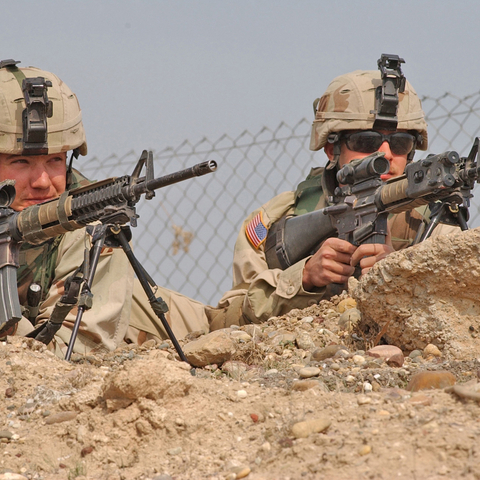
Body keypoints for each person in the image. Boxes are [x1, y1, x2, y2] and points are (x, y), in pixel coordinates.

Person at [206, 55, 458, 330]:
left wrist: (398, 277)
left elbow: (458, 319)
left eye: (400, 142)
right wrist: (303, 278)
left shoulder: (436, 225)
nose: (385, 154)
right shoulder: (274, 220)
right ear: (331, 148)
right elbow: (227, 321)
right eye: (366, 141)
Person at [0, 59, 209, 357]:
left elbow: (66, 355)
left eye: (56, 160)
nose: (43, 181)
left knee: (237, 319)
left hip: (167, 327)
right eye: (21, 162)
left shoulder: (89, 226)